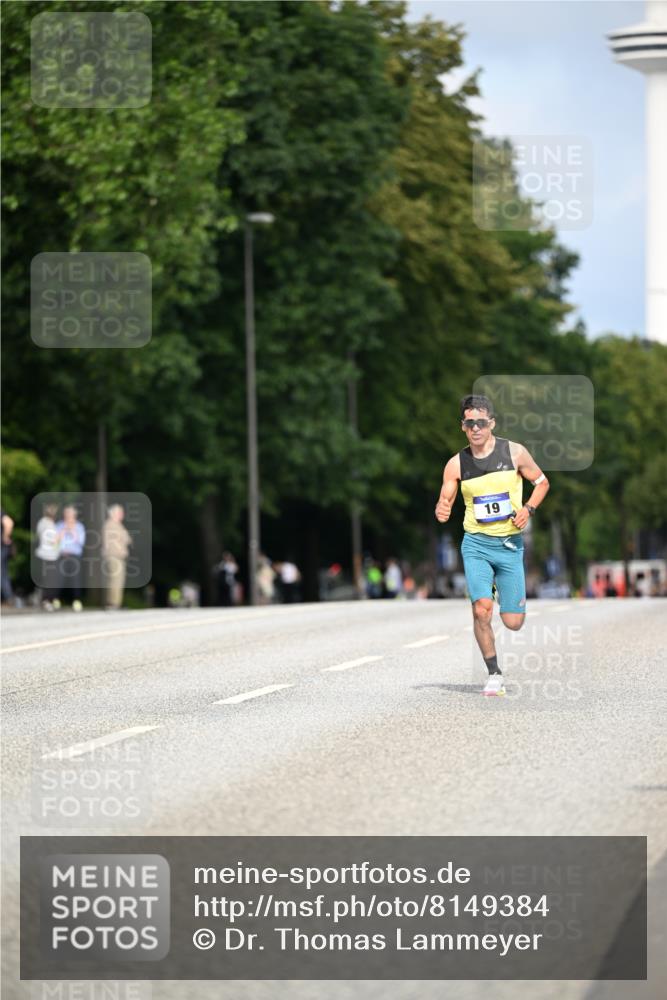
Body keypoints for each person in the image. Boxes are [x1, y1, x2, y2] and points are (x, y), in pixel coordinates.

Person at [435, 394, 550, 696]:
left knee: (513, 622)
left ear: (491, 423)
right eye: (469, 423)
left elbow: (542, 483)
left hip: (510, 545)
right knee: (482, 610)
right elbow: (445, 498)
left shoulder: (514, 453)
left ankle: (502, 590)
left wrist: (528, 510)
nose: (475, 428)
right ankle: (494, 672)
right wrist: (442, 508)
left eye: (481, 423)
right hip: (476, 544)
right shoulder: (456, 464)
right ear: (463, 426)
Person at [55, 505, 86, 611]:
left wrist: (72, 531)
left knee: (75, 580)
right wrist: (63, 531)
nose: (68, 516)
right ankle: (56, 600)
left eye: (70, 514)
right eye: (66, 514)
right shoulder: (59, 525)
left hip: (74, 556)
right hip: (62, 555)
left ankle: (76, 601)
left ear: (74, 515)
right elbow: (55, 541)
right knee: (59, 579)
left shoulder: (79, 527)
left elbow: (81, 542)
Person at [102, 504, 132, 610]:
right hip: (114, 556)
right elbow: (112, 542)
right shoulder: (110, 525)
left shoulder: (118, 525)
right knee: (115, 580)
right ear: (114, 514)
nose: (122, 514)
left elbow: (128, 539)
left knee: (118, 580)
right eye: (120, 512)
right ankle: (113, 603)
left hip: (118, 557)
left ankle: (115, 603)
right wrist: (120, 547)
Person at [35, 502, 60, 609]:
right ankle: (46, 601)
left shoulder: (42, 522)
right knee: (50, 579)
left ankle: (43, 599)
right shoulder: (48, 524)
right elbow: (52, 540)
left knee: (46, 579)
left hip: (45, 554)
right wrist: (59, 537)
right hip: (48, 555)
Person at [1, 509, 15, 604]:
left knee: (2, 573)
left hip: (2, 547)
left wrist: (5, 537)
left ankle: (9, 597)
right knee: (3, 573)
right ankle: (9, 597)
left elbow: (9, 522)